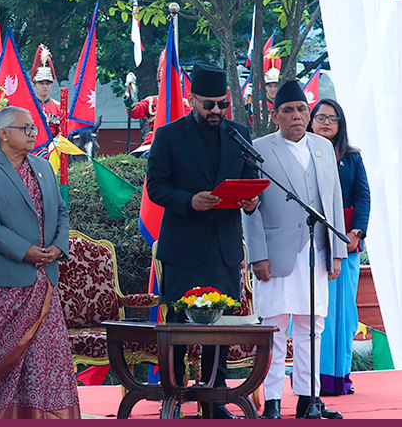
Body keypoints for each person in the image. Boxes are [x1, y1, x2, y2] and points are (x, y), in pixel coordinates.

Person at [145, 62, 259, 419]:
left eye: (222, 105)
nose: (216, 111)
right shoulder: (169, 135)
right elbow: (156, 187)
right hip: (183, 247)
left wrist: (252, 200)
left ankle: (214, 398)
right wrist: (189, 201)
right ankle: (174, 395)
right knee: (178, 326)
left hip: (223, 246)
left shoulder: (238, 133)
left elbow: (252, 178)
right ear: (191, 99)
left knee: (219, 328)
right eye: (208, 104)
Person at [0, 106, 80, 419]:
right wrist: (24, 250)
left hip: (43, 278)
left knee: (46, 356)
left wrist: (58, 246)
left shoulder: (43, 167)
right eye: (25, 128)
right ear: (3, 134)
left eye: (33, 129)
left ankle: (43, 416)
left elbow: (62, 212)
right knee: (3, 355)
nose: (32, 133)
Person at [243, 80, 345, 420]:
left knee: (312, 327)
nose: (297, 116)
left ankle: (308, 399)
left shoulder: (323, 147)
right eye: (288, 111)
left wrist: (337, 252)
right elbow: (251, 208)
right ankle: (272, 400)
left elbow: (333, 200)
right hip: (275, 254)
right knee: (274, 327)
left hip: (316, 251)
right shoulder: (259, 148)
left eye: (302, 109)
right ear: (276, 116)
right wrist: (257, 255)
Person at [309, 99, 370, 396]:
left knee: (344, 313)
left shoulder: (352, 158)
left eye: (332, 119)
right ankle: (312, 377)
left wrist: (356, 233)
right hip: (310, 243)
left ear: (340, 124)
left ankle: (339, 377)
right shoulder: (301, 153)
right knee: (317, 313)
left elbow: (363, 197)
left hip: (346, 243)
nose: (325, 123)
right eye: (320, 117)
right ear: (310, 121)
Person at [30, 45, 61, 127]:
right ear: (34, 86)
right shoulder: (26, 107)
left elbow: (67, 130)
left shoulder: (59, 108)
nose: (45, 86)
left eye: (48, 83)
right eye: (41, 83)